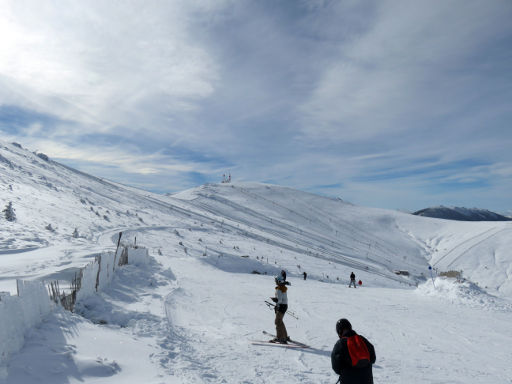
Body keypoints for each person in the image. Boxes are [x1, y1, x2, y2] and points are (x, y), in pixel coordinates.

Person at [331, 318, 376, 384]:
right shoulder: (362, 340)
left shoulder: (340, 343)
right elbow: (373, 359)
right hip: (367, 380)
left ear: (339, 331)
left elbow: (336, 366)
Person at [270, 270, 290, 343]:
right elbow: (282, 299)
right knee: (280, 321)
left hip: (281, 306)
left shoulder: (279, 289)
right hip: (284, 306)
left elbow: (280, 300)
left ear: (278, 281)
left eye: (276, 280)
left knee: (277, 321)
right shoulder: (283, 287)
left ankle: (280, 338)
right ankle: (285, 336)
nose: (275, 282)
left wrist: (275, 300)